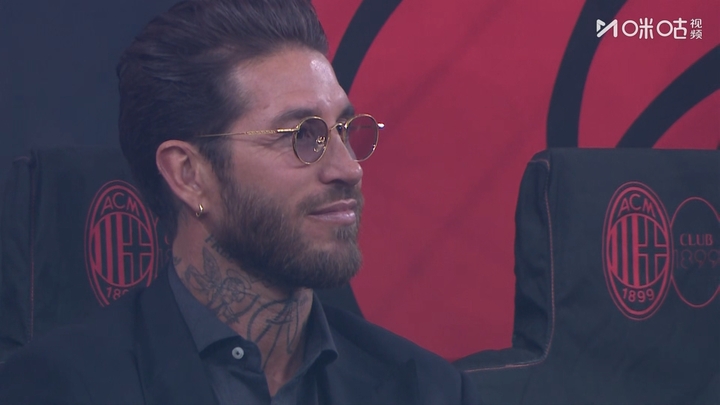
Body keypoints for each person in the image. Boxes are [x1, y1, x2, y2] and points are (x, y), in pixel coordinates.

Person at [0, 0, 480, 403]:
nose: (348, 168)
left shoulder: (426, 390)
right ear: (189, 175)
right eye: (301, 135)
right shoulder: (54, 389)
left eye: (343, 129)